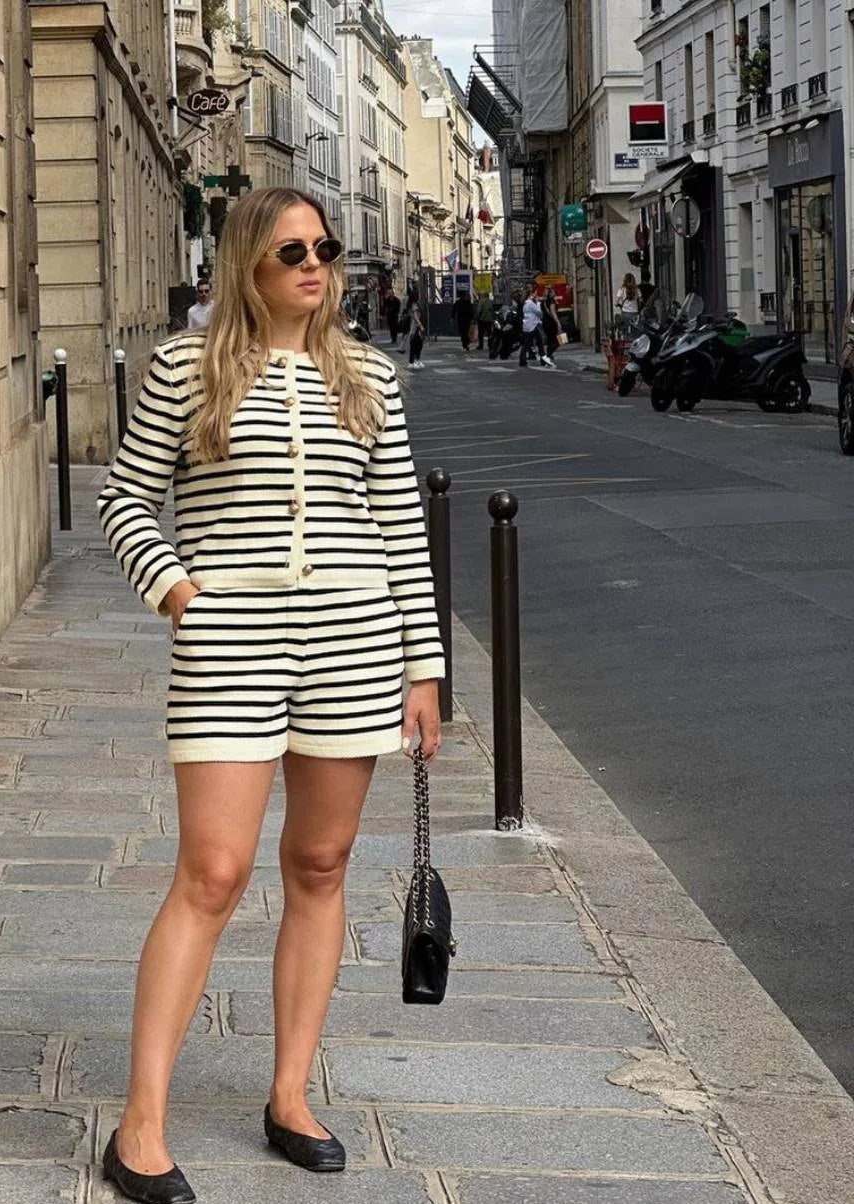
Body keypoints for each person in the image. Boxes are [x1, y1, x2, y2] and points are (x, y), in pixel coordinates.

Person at [96, 187, 445, 1204]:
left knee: (322, 862)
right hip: (231, 639)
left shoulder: (368, 374)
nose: (314, 265)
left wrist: (423, 668)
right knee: (211, 871)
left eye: (325, 249)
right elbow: (125, 493)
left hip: (351, 640)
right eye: (291, 249)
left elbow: (401, 531)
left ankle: (289, 1094)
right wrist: (177, 591)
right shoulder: (185, 365)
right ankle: (140, 1124)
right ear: (246, 261)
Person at [519, 291, 546, 366]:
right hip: (533, 325)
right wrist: (538, 303)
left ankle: (522, 360)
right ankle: (543, 360)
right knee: (540, 343)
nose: (536, 295)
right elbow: (539, 313)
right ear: (530, 295)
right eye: (534, 294)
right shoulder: (530, 303)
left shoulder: (525, 303)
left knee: (526, 344)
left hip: (527, 326)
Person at [540, 290, 561, 367]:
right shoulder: (551, 301)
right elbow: (553, 313)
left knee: (550, 342)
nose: (555, 293)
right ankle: (546, 357)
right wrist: (558, 323)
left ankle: (546, 358)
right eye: (553, 292)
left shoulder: (543, 302)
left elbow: (541, 313)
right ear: (550, 294)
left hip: (545, 323)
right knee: (558, 341)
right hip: (551, 323)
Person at [407, 285, 426, 368]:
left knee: (417, 344)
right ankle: (413, 361)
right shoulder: (414, 305)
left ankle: (416, 360)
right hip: (415, 327)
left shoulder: (413, 304)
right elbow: (415, 316)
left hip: (415, 327)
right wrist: (421, 325)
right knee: (416, 344)